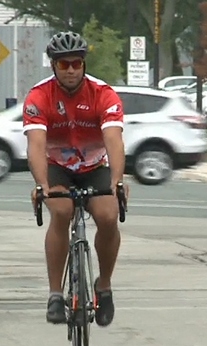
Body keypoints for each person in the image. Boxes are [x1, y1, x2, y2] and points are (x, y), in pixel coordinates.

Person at [22, 31, 128, 327]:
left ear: (83, 64)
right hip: (57, 167)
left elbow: (114, 141)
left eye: (76, 63)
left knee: (108, 215)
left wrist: (117, 180)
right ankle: (55, 293)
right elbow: (36, 146)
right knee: (62, 210)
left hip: (94, 165)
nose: (71, 70)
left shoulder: (102, 93)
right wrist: (43, 186)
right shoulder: (39, 96)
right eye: (64, 64)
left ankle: (103, 286)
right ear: (54, 65)